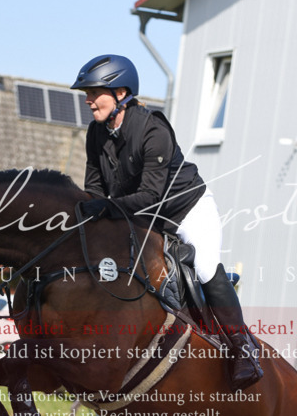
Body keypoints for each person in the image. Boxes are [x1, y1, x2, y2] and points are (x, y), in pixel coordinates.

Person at [71, 53, 262, 388]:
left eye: (94, 92)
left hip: (185, 209)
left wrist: (104, 209)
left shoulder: (152, 129)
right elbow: (94, 190)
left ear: (120, 93)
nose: (87, 100)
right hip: (140, 216)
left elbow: (150, 195)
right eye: (86, 93)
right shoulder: (96, 134)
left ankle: (243, 347)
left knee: (204, 266)